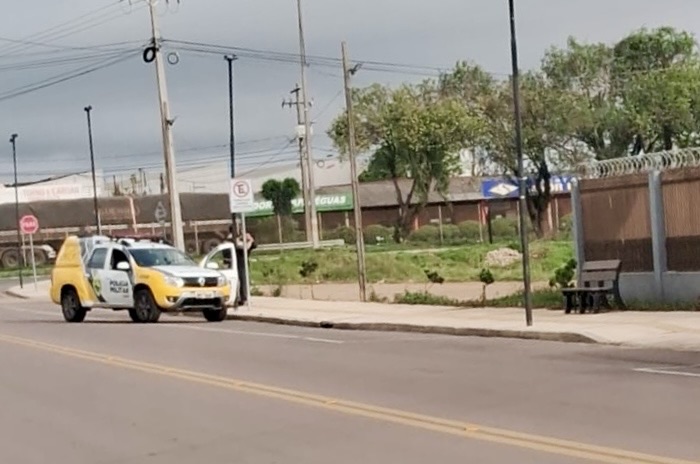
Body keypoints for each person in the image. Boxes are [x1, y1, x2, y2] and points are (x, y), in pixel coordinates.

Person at [225, 224, 257, 305]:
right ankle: (241, 298)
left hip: (242, 263)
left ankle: (242, 298)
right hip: (237, 263)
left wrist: (249, 239)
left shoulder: (239, 239)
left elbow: (254, 246)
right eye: (239, 229)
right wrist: (250, 241)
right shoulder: (231, 239)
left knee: (244, 281)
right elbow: (244, 247)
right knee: (241, 281)